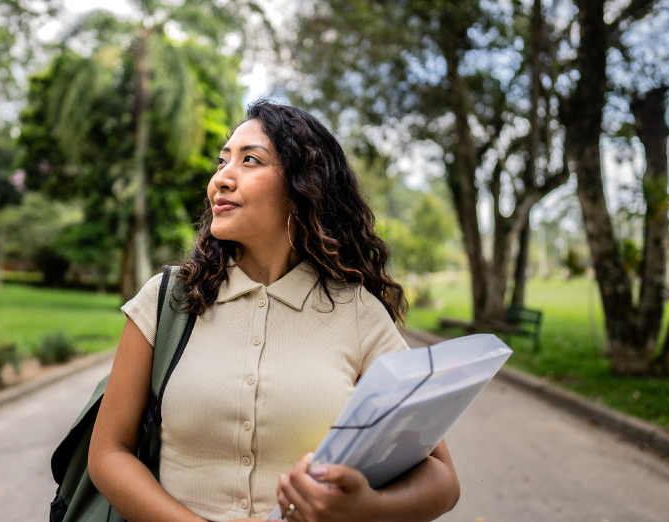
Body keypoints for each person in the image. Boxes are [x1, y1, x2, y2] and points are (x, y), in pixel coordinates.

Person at [88, 100, 460, 521]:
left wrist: (367, 506)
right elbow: (108, 454)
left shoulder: (358, 313)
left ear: (304, 187)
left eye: (250, 161)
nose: (221, 179)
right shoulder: (167, 299)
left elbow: (442, 479)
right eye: (222, 161)